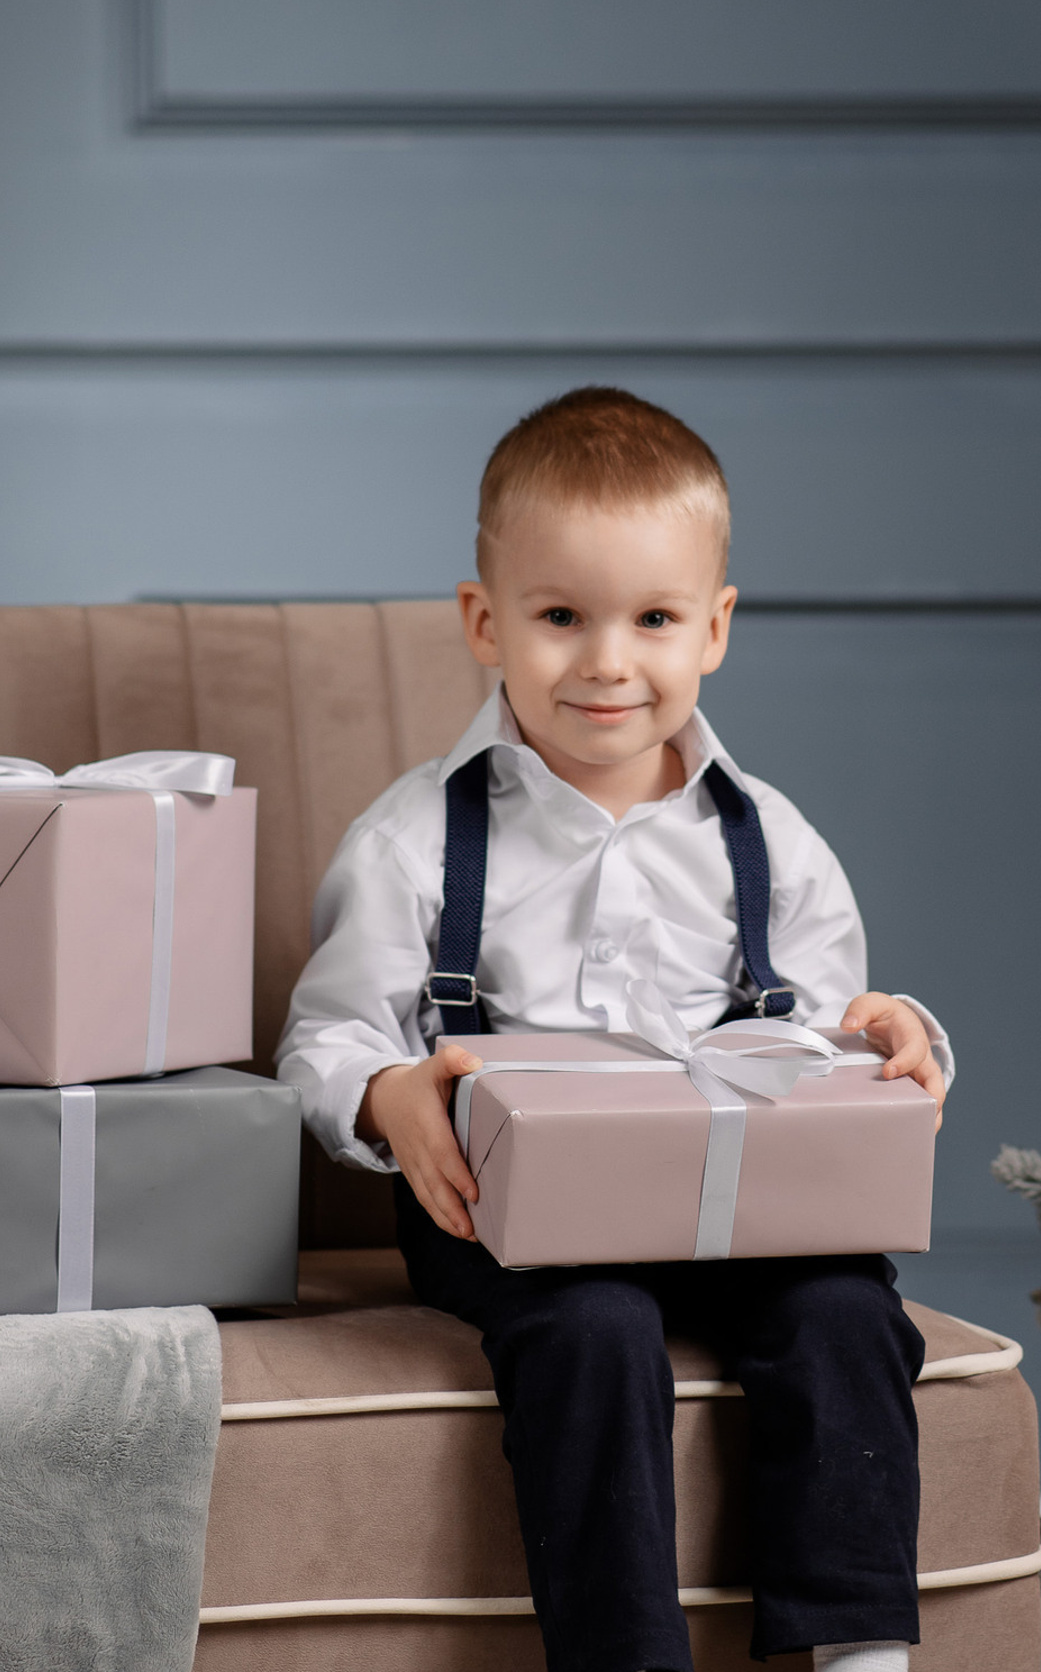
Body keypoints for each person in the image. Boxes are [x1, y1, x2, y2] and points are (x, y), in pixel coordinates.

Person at [277, 387, 953, 1672]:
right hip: (514, 1218)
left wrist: (891, 1031)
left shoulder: (769, 838)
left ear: (715, 630)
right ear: (486, 623)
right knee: (593, 1333)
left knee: (848, 1316)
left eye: (652, 619)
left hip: (738, 1205)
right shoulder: (418, 836)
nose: (606, 661)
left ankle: (861, 1654)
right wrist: (385, 1094)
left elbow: (824, 1027)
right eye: (559, 618)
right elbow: (326, 1035)